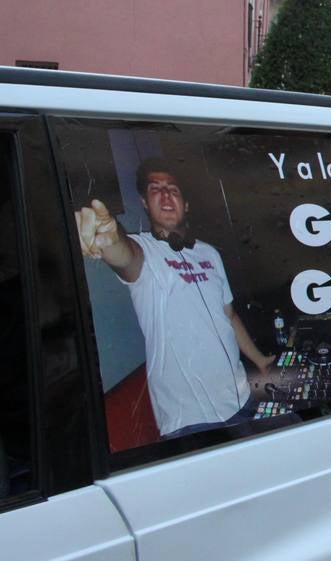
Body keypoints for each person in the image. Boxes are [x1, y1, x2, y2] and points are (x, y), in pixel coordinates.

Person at [73, 158, 274, 438]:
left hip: (244, 398)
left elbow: (229, 315)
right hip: (191, 421)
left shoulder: (209, 253)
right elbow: (123, 254)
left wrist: (260, 360)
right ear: (145, 202)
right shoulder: (143, 251)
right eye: (156, 188)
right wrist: (109, 236)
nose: (166, 195)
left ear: (186, 204)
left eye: (173, 189)